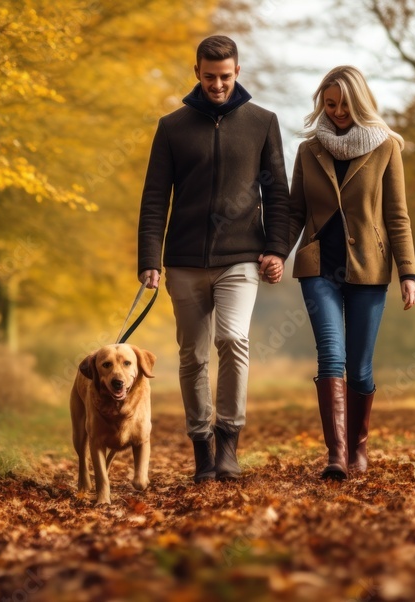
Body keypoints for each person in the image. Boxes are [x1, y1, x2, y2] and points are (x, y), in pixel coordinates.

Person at [137, 35, 290, 483]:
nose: (217, 85)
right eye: (209, 77)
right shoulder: (172, 127)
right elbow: (153, 199)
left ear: (237, 72)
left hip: (241, 257)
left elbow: (277, 192)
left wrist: (276, 248)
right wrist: (150, 258)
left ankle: (228, 442)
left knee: (232, 340)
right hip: (183, 260)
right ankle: (202, 447)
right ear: (197, 72)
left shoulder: (262, 122)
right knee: (192, 356)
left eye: (225, 77)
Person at [287, 65, 415, 481]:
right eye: (330, 104)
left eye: (345, 104)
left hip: (369, 268)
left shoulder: (386, 147)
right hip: (318, 267)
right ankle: (337, 456)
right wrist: (274, 251)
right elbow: (294, 212)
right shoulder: (309, 150)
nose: (338, 112)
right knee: (331, 354)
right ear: (321, 104)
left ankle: (358, 447)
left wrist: (408, 273)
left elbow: (397, 215)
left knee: (359, 367)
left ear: (359, 102)